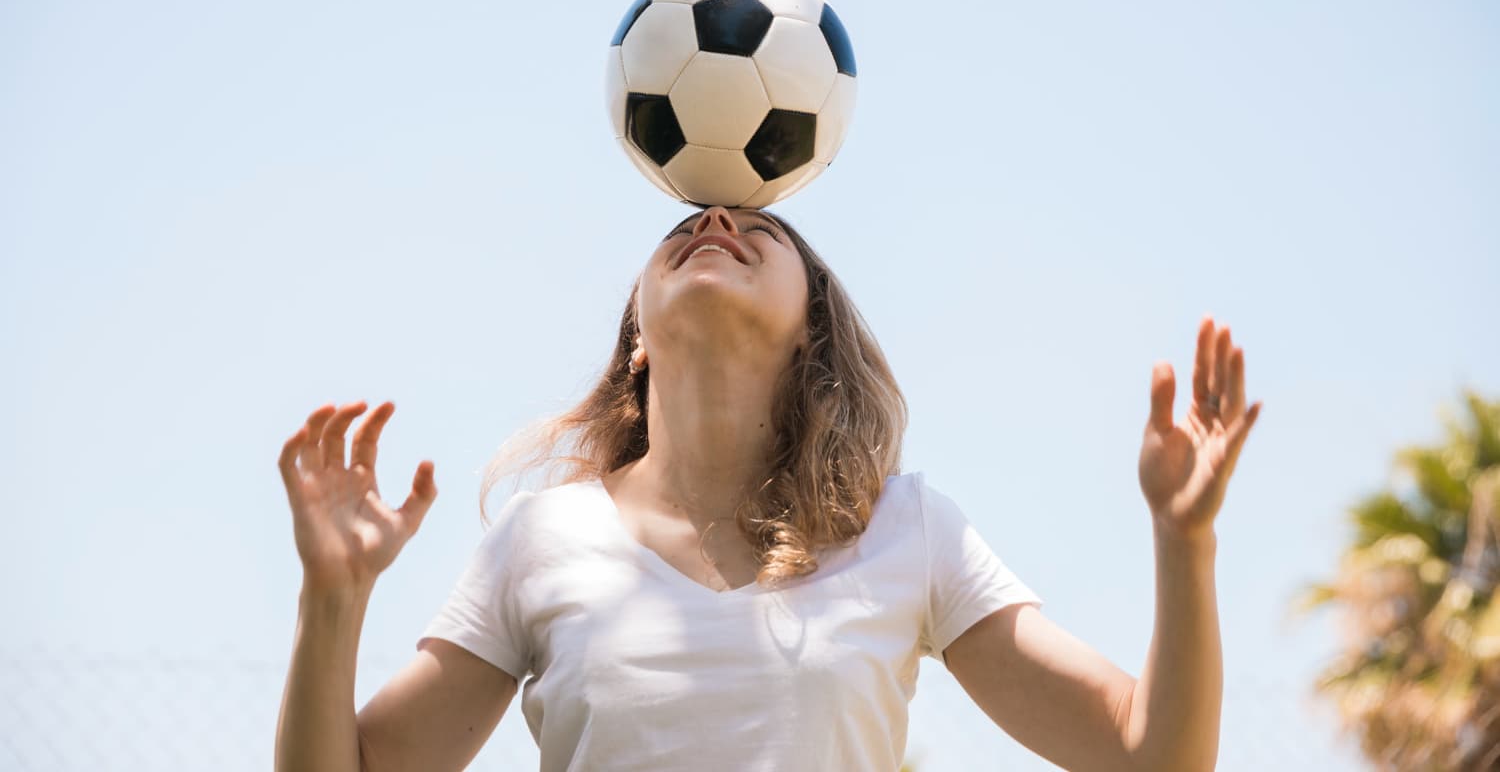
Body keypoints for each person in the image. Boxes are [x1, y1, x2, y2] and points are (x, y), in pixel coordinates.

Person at [274, 205, 1263, 772]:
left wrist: (1187, 544)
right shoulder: (542, 540)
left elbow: (1152, 760)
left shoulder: (907, 532)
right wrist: (332, 602)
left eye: (760, 227)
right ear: (636, 338)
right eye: (687, 223)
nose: (714, 221)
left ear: (810, 331)